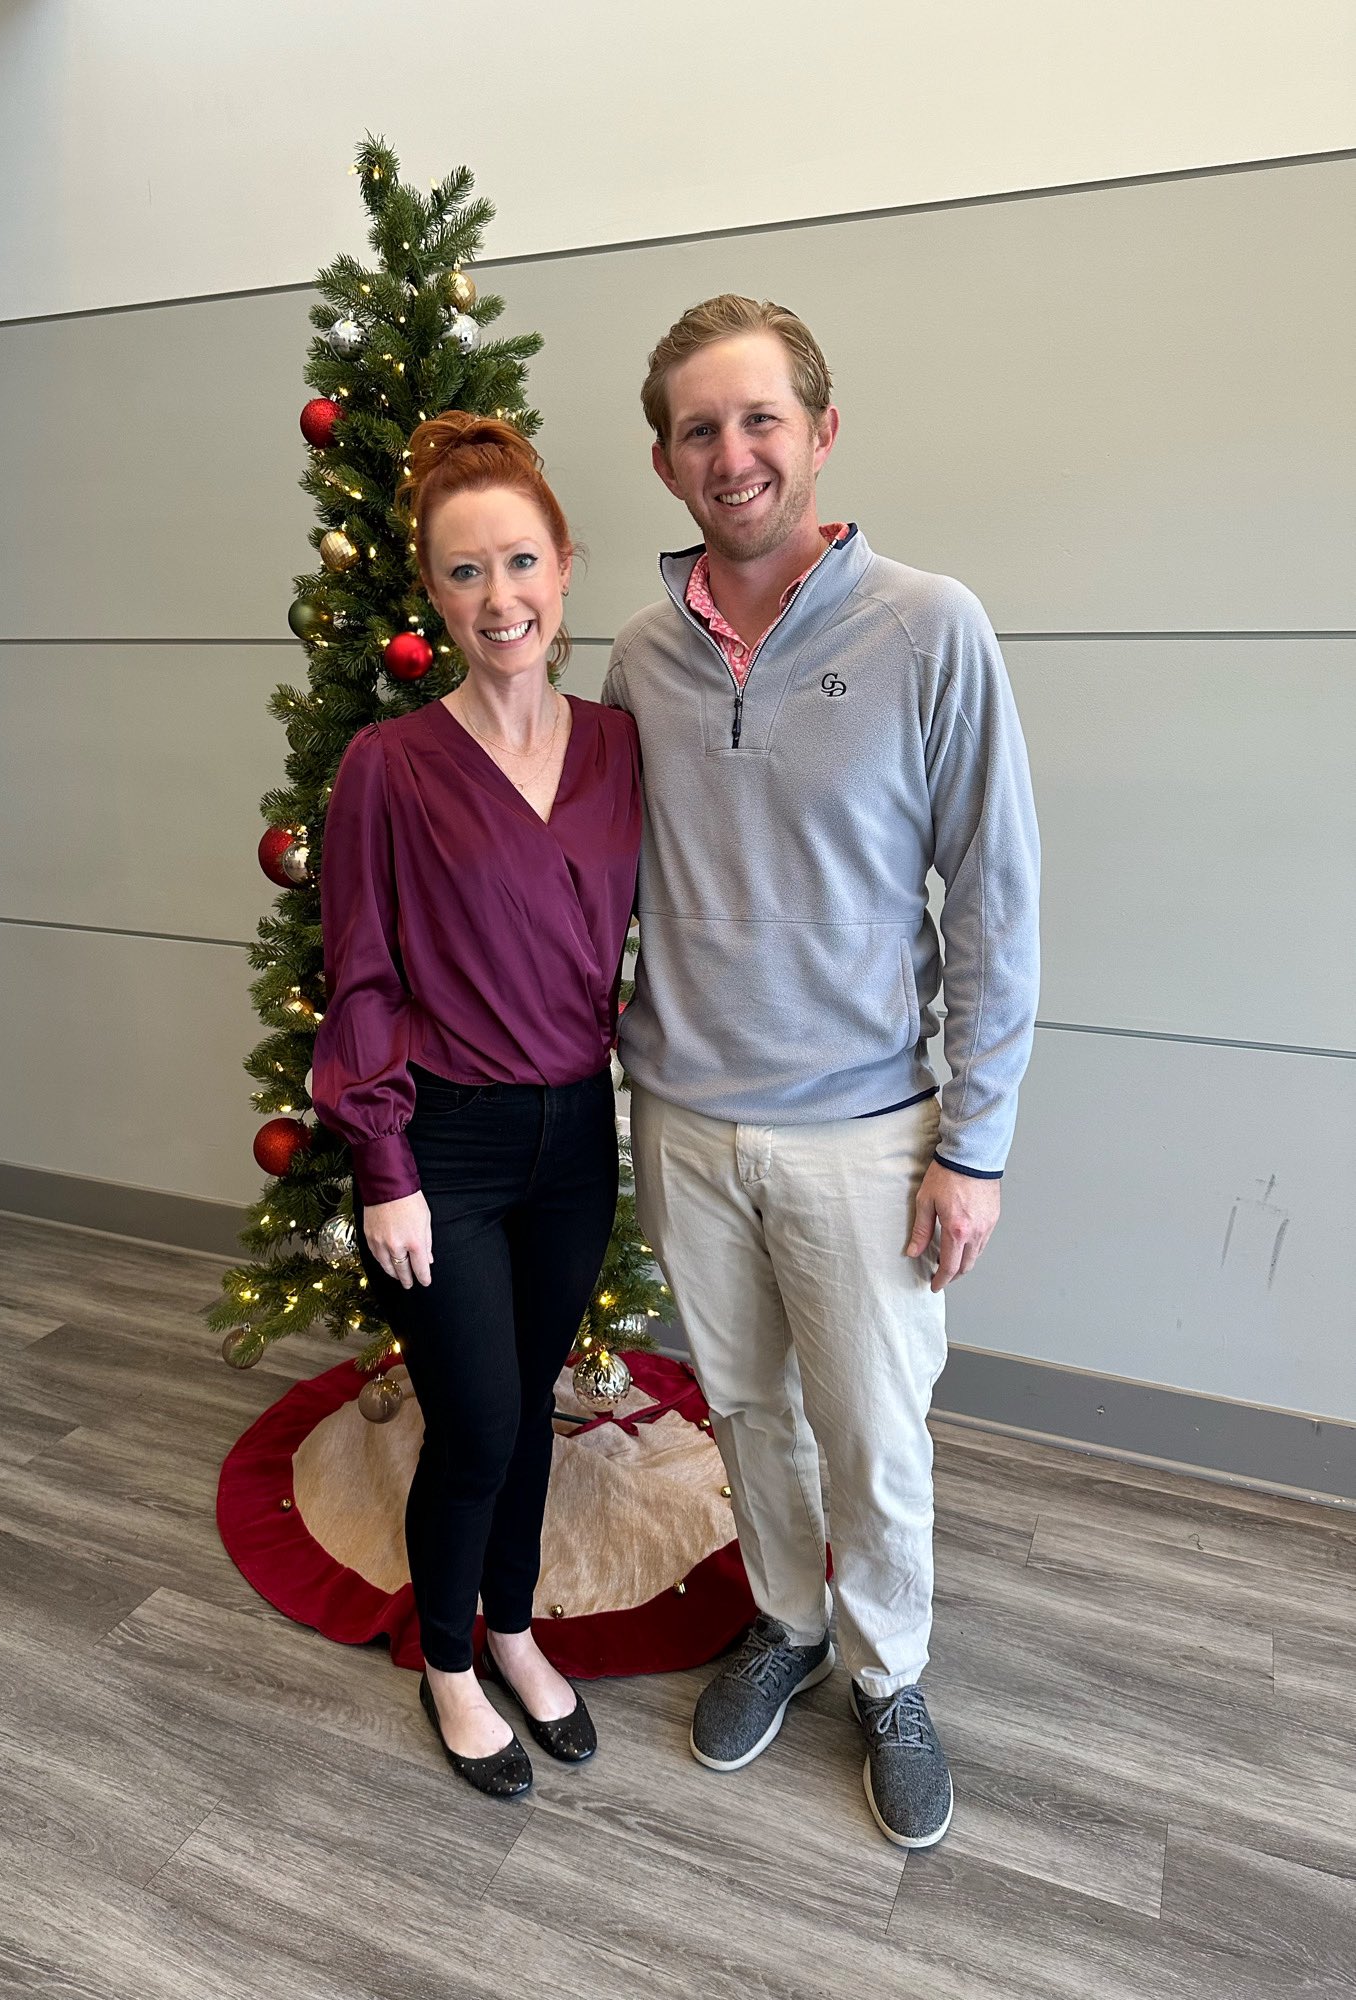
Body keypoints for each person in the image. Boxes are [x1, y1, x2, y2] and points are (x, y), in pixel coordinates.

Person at [603, 295, 1040, 1849]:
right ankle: (787, 1621)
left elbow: (994, 897)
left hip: (866, 1131)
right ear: (667, 462)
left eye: (760, 419)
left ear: (821, 431)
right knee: (746, 1412)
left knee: (873, 1433)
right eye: (700, 430)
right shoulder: (638, 658)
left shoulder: (930, 626)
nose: (733, 453)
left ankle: (889, 1671)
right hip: (685, 1119)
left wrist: (973, 1145)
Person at [312, 413, 642, 1799]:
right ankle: (447, 1657)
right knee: (479, 1423)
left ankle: (513, 1626)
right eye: (465, 572)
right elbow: (361, 973)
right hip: (443, 1144)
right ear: (433, 595)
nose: (499, 597)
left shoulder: (621, 747)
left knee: (535, 1409)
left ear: (562, 567)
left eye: (519, 562)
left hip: (576, 1138)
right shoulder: (389, 766)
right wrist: (384, 1165)